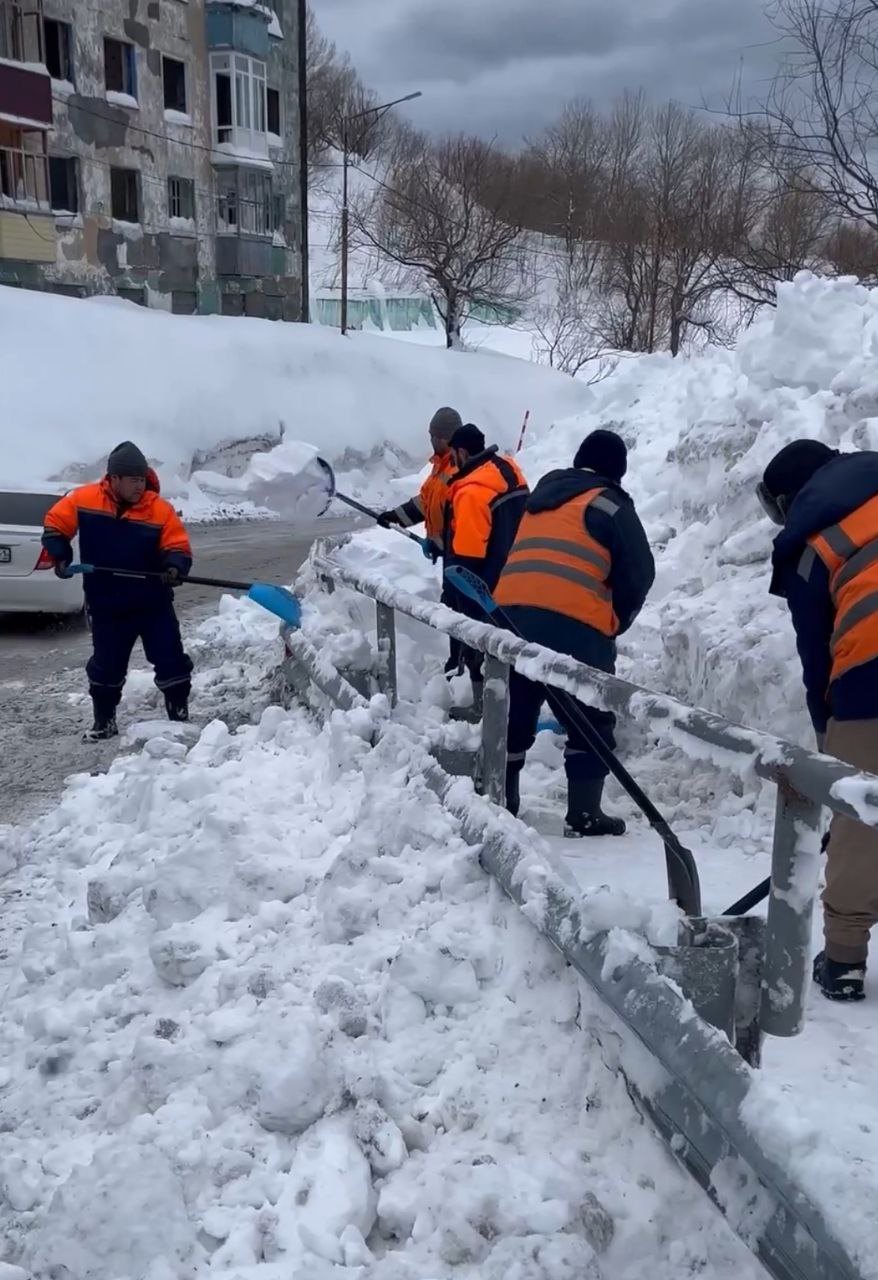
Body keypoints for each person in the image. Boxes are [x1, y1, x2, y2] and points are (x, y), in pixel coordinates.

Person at [758, 438, 878, 1002]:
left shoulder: (813, 546)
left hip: (871, 674)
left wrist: (833, 750)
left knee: (859, 819)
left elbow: (818, 658)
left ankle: (845, 960)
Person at [495, 429, 655, 836]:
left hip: (508, 616)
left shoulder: (542, 498)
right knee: (589, 713)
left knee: (517, 705)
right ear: (617, 471)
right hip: (574, 623)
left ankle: (503, 797)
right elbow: (640, 572)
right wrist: (615, 619)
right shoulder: (610, 504)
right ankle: (584, 814)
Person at [42, 441, 194, 742]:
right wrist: (60, 555)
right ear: (114, 479)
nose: (140, 487)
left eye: (142, 480)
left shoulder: (159, 510)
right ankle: (104, 722)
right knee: (106, 667)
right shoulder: (84, 500)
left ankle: (179, 716)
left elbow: (177, 544)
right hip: (107, 604)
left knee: (171, 660)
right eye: (133, 480)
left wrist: (175, 566)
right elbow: (55, 524)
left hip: (153, 604)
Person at [443, 423, 529, 719]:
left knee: (481, 643)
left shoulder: (471, 492)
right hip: (520, 570)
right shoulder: (508, 470)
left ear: (463, 452)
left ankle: (485, 708)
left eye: (453, 455)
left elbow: (468, 556)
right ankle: (515, 705)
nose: (452, 461)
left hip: (486, 584)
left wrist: (459, 593)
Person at [378, 406, 464, 676]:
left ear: (444, 437)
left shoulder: (459, 468)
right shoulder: (439, 467)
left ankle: (463, 667)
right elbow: (425, 502)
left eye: (434, 435)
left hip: (461, 557)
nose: (430, 440)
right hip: (448, 554)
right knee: (452, 604)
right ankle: (457, 662)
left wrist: (445, 543)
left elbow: (460, 514)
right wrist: (395, 517)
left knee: (460, 609)